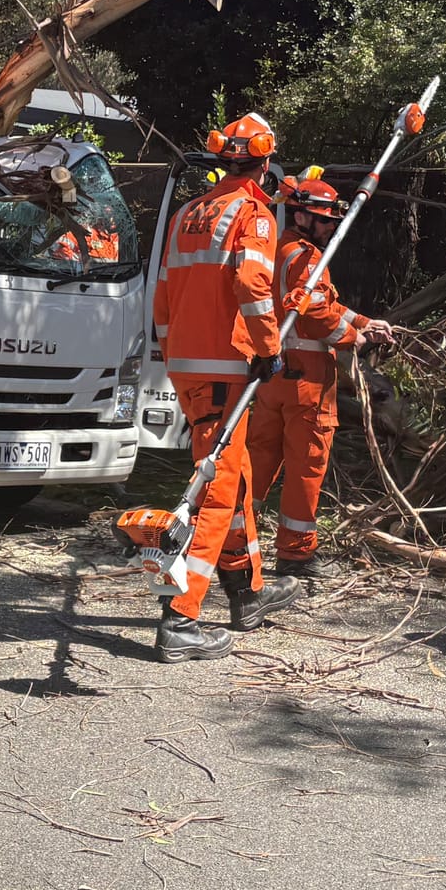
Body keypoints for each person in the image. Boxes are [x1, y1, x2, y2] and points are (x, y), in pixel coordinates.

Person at [148, 112, 304, 662]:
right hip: (226, 367)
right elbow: (252, 284)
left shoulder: (190, 213)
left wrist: (174, 358)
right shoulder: (255, 214)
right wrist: (268, 349)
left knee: (230, 478)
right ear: (263, 165)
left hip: (191, 369)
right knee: (216, 489)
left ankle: (246, 592)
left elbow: (162, 296)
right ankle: (181, 616)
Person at [247, 171, 393, 578]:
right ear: (304, 217)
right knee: (306, 467)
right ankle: (296, 555)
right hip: (306, 384)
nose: (331, 226)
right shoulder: (307, 258)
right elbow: (315, 315)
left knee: (259, 461)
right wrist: (355, 338)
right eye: (326, 219)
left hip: (275, 378)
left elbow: (325, 303)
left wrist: (365, 321)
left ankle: (233, 541)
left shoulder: (280, 251)